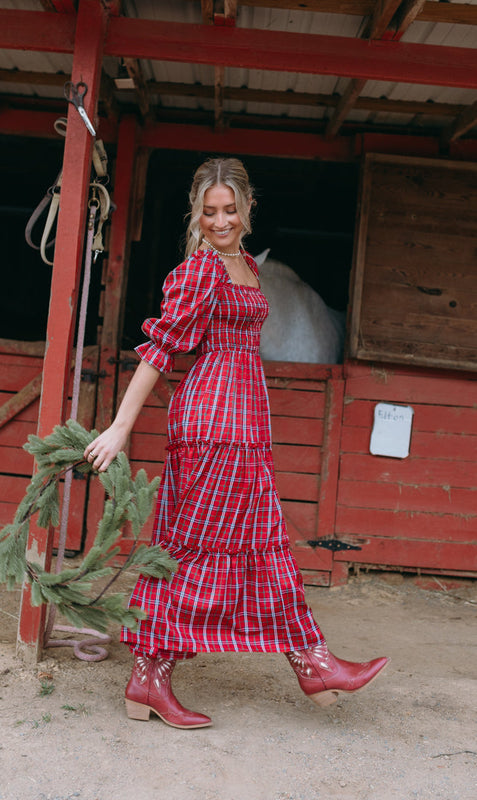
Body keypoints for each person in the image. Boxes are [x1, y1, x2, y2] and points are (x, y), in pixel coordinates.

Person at [84, 157, 389, 730]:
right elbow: (161, 349)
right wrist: (122, 425)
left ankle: (299, 663)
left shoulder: (246, 263)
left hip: (245, 425)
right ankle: (306, 662)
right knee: (197, 553)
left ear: (249, 208)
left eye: (229, 209)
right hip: (211, 425)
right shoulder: (200, 271)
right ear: (196, 214)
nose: (220, 221)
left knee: (262, 543)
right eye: (209, 212)